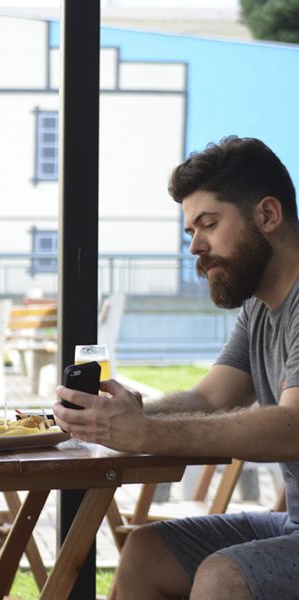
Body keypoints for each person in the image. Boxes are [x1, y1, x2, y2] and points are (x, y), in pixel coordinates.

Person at [55, 136, 299, 600]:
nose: (195, 246)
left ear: (267, 215)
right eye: (190, 231)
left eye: (207, 224)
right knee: (147, 553)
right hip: (293, 524)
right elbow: (210, 398)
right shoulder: (261, 307)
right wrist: (116, 417)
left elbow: (293, 428)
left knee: (223, 575)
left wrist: (145, 435)